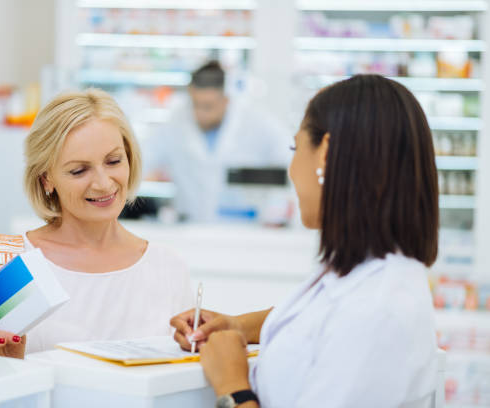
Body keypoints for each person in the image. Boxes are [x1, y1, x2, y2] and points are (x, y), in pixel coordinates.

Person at [170, 74, 439, 407]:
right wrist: (236, 325)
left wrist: (232, 385)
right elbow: (318, 322)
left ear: (324, 154)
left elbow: (344, 325)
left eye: (296, 149)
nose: (292, 170)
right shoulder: (362, 273)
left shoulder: (375, 310)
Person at [0, 89, 194, 358]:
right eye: (79, 170)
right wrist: (3, 368)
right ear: (46, 178)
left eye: (114, 161)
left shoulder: (167, 269)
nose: (104, 183)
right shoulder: (8, 261)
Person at [143, 61, 291, 222]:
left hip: (243, 230)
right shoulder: (175, 123)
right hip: (191, 227)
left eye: (208, 106)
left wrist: (276, 211)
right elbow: (142, 158)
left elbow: (291, 162)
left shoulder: (257, 124)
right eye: (195, 104)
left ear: (226, 100)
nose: (200, 113)